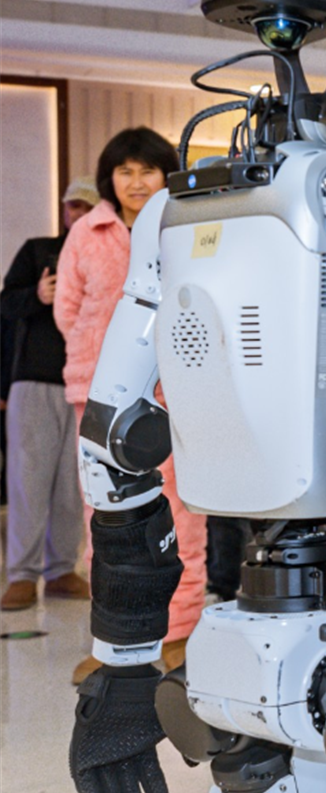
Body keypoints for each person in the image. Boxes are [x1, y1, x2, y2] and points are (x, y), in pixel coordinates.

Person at [54, 127, 207, 684]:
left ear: (167, 175)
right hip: (98, 393)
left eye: (148, 170)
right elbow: (67, 310)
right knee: (106, 518)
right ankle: (115, 640)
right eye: (125, 171)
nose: (136, 182)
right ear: (110, 178)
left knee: (183, 515)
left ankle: (180, 633)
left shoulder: (185, 224)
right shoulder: (87, 232)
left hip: (176, 392)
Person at [0, 176, 99, 611]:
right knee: (28, 480)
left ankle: (61, 570)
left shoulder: (106, 255)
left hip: (86, 382)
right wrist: (38, 295)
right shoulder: (38, 251)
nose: (79, 214)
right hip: (36, 381)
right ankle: (21, 575)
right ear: (64, 210)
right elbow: (6, 305)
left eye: (88, 207)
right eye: (74, 206)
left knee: (74, 485)